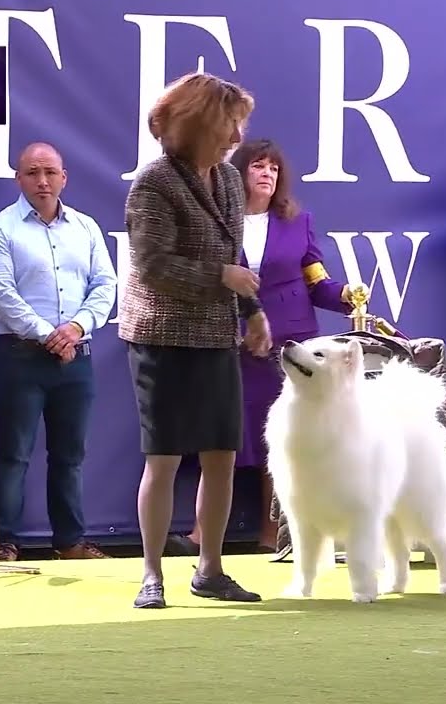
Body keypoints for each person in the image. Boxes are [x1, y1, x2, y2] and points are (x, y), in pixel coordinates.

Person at [119, 72, 273, 609]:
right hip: (160, 337)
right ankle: (151, 573)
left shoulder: (229, 181)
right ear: (201, 124)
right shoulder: (153, 182)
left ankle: (210, 569)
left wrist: (252, 311)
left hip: (214, 335)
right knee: (162, 459)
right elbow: (153, 265)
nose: (237, 136)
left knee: (221, 456)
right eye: (230, 124)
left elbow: (236, 257)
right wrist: (221, 279)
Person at [170, 138, 354, 554]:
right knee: (222, 439)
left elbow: (316, 282)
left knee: (284, 439)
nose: (267, 173)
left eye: (273, 167)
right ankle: (202, 536)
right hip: (228, 342)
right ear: (238, 173)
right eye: (258, 165)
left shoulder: (297, 221)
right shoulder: (216, 220)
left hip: (288, 347)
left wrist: (348, 297)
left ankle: (274, 535)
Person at [0, 142, 118, 561]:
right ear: (19, 179)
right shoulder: (1, 229)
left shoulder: (86, 228)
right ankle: (1, 543)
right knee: (13, 453)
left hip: (77, 357)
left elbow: (105, 285)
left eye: (50, 173)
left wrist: (75, 328)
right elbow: (0, 292)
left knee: (70, 455)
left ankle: (70, 542)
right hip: (19, 356)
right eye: (33, 173)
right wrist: (47, 335)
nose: (42, 181)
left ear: (63, 178)